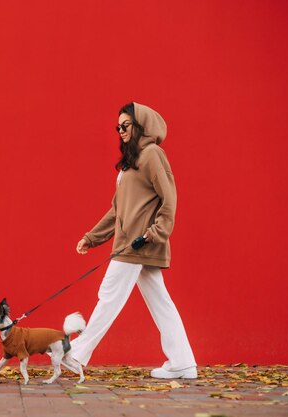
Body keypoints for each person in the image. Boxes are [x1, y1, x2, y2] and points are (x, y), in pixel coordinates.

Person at [71, 102, 197, 379]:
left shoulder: (153, 154)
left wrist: (155, 233)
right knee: (160, 302)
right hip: (131, 242)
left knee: (108, 296)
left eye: (125, 125)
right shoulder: (132, 162)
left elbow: (170, 199)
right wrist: (91, 238)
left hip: (139, 243)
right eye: (118, 127)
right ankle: (183, 361)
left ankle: (78, 353)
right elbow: (117, 210)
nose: (121, 131)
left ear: (141, 126)